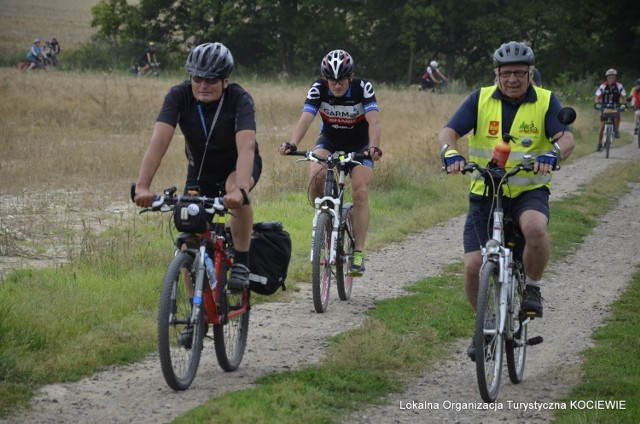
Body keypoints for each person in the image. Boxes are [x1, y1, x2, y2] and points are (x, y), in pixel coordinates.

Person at [437, 41, 575, 362]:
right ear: (497, 74)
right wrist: (451, 153)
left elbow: (566, 139)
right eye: (506, 73)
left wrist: (552, 154)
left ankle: (532, 287)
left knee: (535, 228)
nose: (512, 79)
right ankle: (484, 326)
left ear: (530, 74)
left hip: (528, 191)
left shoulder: (545, 101)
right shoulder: (480, 98)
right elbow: (447, 132)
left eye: (519, 73)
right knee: (473, 265)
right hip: (486, 194)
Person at [134, 42, 261, 293]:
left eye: (211, 80)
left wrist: (240, 191)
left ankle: (242, 263)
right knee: (188, 241)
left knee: (235, 189)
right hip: (200, 172)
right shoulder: (178, 96)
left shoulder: (240, 99)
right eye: (197, 78)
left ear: (226, 80)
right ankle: (196, 320)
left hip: (238, 167)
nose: (203, 85)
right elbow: (158, 142)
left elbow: (246, 148)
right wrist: (142, 185)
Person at [278, 49, 382, 276]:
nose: (336, 85)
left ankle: (358, 252)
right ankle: (325, 222)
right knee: (315, 173)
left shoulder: (363, 88)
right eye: (332, 80)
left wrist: (373, 148)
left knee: (360, 191)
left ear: (350, 77)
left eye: (341, 80)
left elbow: (374, 121)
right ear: (326, 79)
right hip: (330, 140)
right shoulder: (318, 88)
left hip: (360, 145)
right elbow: (307, 117)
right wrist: (293, 144)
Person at [594, 68, 627, 150]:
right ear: (607, 78)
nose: (611, 79)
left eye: (613, 77)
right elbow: (597, 97)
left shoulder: (619, 86)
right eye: (609, 77)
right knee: (602, 126)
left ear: (615, 78)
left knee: (618, 114)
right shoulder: (603, 86)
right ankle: (599, 144)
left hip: (615, 105)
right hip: (605, 106)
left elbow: (623, 97)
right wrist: (598, 104)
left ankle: (616, 130)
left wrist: (623, 104)